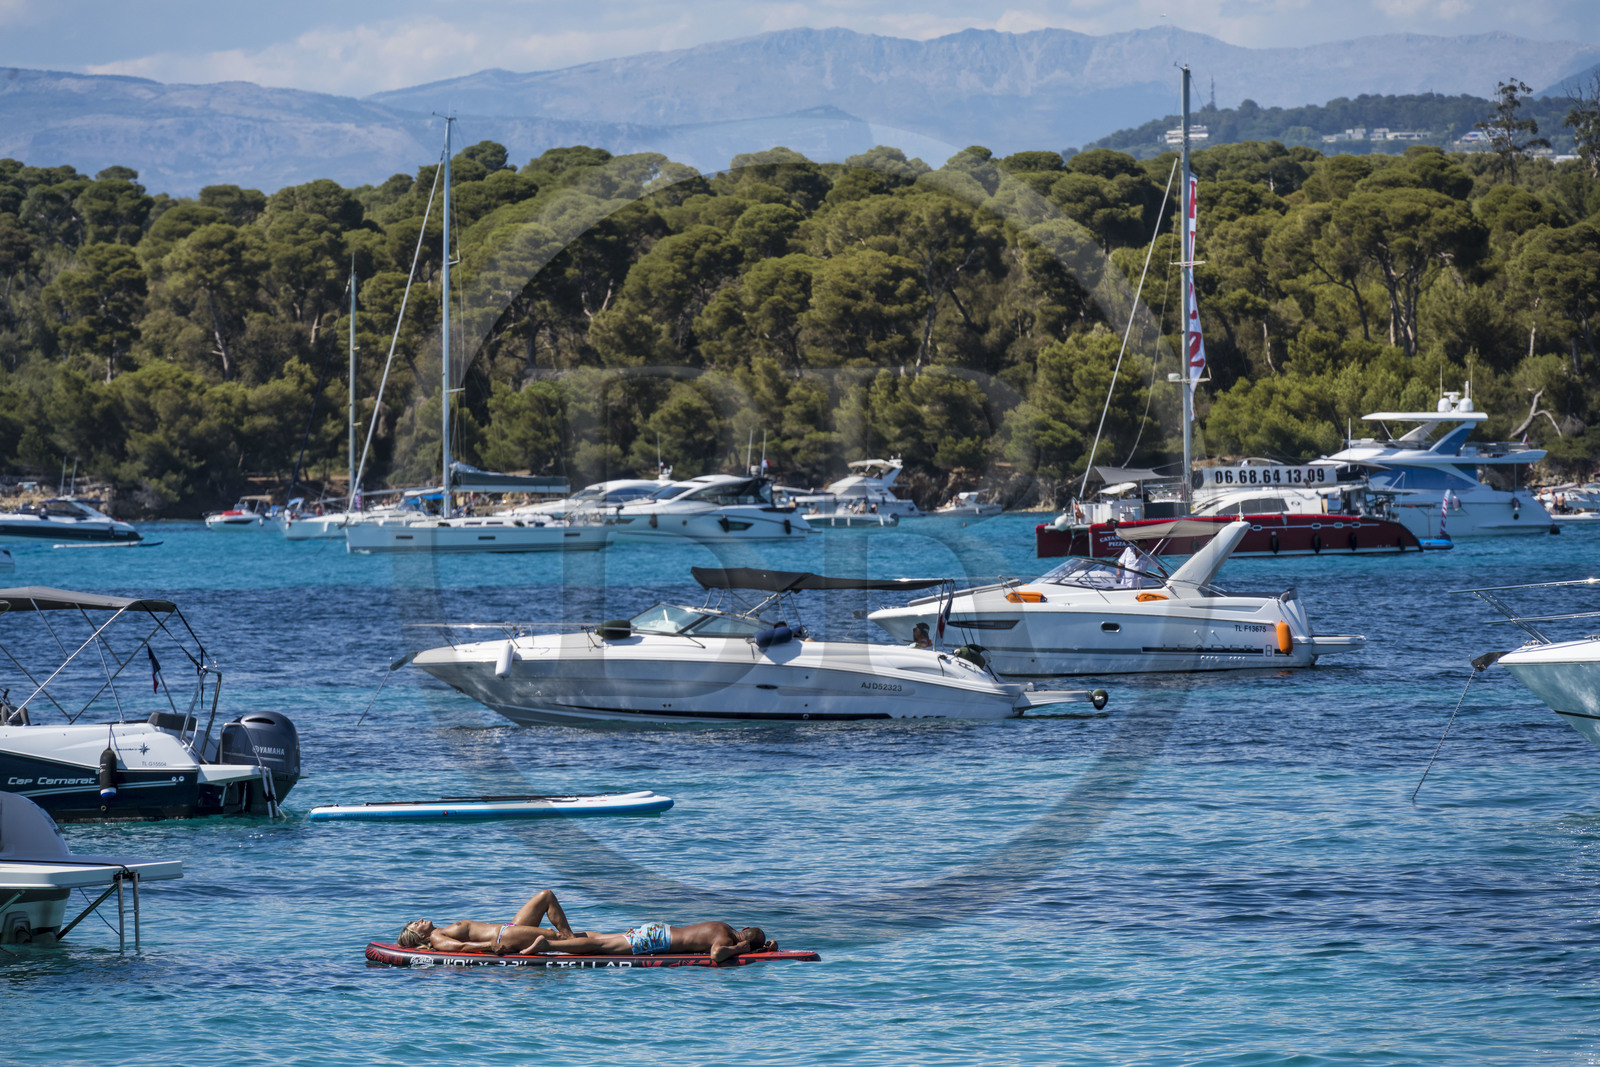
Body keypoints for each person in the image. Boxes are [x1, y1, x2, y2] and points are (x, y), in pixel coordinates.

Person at [396, 887, 580, 955]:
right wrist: (490, 946)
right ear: (420, 936)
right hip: (503, 937)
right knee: (557, 937)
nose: (420, 920)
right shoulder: (436, 938)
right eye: (416, 924)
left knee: (546, 896)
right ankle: (573, 943)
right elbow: (461, 947)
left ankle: (571, 939)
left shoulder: (440, 930)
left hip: (509, 928)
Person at [525, 921, 775, 963]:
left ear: (744, 928)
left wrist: (766, 947)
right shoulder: (725, 938)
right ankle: (549, 945)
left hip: (658, 929)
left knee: (600, 938)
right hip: (656, 940)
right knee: (599, 947)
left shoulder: (724, 926)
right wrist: (739, 949)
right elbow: (716, 955)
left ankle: (561, 937)